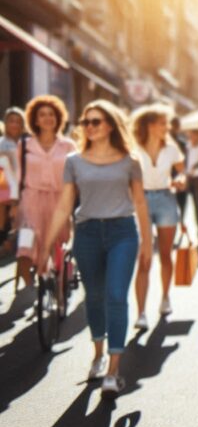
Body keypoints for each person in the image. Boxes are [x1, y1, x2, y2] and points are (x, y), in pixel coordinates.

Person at [40, 100, 151, 397]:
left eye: (96, 121)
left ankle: (113, 371)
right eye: (86, 122)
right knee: (96, 297)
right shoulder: (74, 161)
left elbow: (140, 202)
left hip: (123, 233)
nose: (89, 126)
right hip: (87, 233)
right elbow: (65, 204)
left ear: (110, 126)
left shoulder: (130, 160)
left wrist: (148, 244)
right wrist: (46, 245)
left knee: (116, 296)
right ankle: (98, 353)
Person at [131, 105, 186, 329]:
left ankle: (165, 297)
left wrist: (181, 179)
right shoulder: (133, 148)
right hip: (138, 201)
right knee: (144, 258)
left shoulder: (172, 149)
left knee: (165, 254)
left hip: (166, 199)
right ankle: (141, 312)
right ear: (150, 125)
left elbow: (182, 171)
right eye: (163, 123)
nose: (167, 127)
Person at [15, 96, 77, 288]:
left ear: (58, 118)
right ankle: (31, 287)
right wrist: (12, 204)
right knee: (25, 245)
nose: (47, 118)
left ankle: (57, 282)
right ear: (35, 119)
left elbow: (76, 176)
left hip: (60, 200)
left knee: (58, 243)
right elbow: (17, 175)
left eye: (51, 114)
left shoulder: (68, 146)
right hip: (30, 200)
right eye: (42, 115)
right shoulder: (24, 145)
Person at [0, 108, 26, 254]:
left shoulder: (27, 142)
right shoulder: (2, 143)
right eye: (11, 121)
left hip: (25, 186)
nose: (14, 124)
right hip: (5, 186)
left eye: (18, 121)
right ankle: (4, 241)